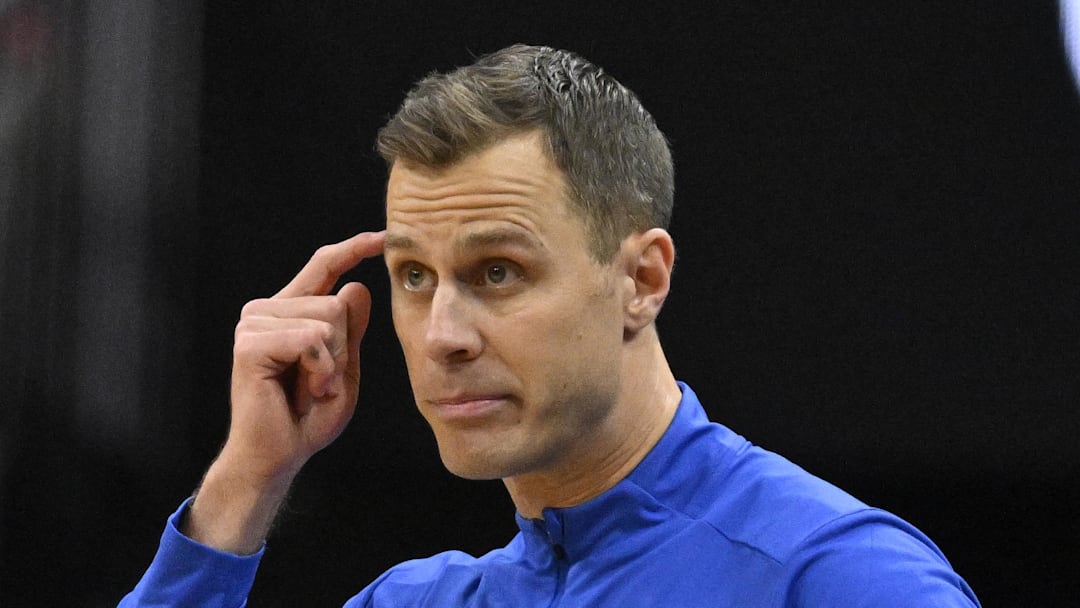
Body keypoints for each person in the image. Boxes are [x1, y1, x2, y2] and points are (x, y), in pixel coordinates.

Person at [120, 44, 980, 607]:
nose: (440, 334)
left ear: (642, 280)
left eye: (498, 271)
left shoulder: (838, 579)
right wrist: (245, 482)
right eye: (414, 277)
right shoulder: (413, 604)